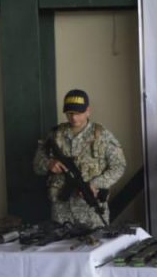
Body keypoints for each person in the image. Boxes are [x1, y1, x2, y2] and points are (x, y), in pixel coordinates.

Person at [33, 89, 126, 228]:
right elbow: (36, 166)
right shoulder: (54, 135)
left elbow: (119, 166)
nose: (74, 118)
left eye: (78, 113)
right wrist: (48, 164)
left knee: (96, 246)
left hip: (91, 211)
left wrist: (96, 183)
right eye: (70, 113)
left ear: (88, 111)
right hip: (61, 211)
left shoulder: (102, 135)